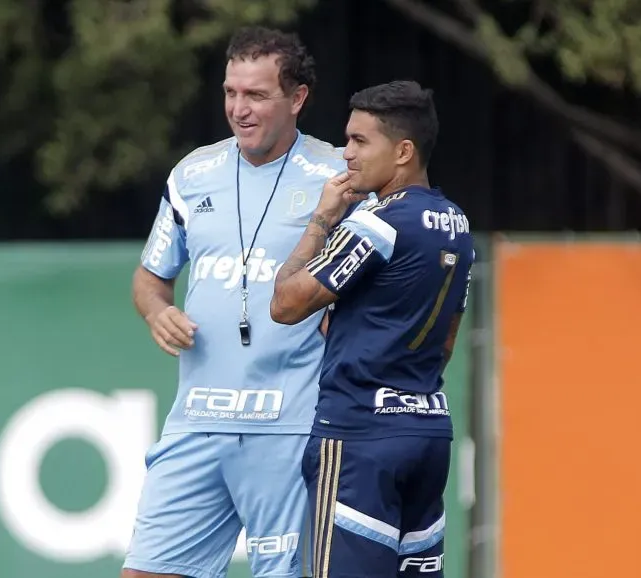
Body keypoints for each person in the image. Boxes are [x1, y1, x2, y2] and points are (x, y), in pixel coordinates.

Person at [123, 26, 348, 578]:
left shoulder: (339, 176)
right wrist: (158, 311)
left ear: (297, 99)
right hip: (196, 423)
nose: (238, 109)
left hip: (292, 426)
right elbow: (150, 279)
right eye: (230, 93)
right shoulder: (192, 173)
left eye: (256, 95)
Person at [269, 80, 475, 578]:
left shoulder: (377, 222)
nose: (346, 154)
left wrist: (322, 218)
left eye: (360, 141)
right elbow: (446, 338)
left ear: (403, 151)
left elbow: (285, 302)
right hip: (426, 431)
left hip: (359, 435)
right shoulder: (457, 223)